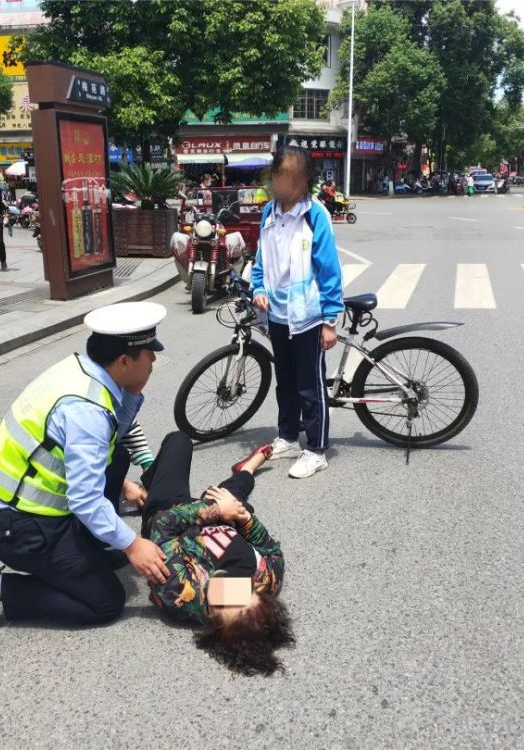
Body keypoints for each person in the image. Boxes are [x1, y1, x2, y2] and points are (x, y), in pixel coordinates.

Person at [0, 302, 171, 637]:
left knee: (116, 458)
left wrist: (133, 393)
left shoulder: (81, 370)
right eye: (149, 354)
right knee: (105, 602)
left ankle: (93, 543)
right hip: (19, 528)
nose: (154, 361)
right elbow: (85, 499)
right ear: (125, 361)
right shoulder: (86, 410)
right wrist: (132, 544)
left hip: (27, 508)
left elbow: (112, 436)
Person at [142, 432, 292, 675]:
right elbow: (273, 553)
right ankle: (248, 469)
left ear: (214, 625)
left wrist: (214, 509)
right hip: (225, 515)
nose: (227, 589)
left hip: (172, 512)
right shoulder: (266, 582)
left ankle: (151, 485)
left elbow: (163, 524)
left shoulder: (179, 592)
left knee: (178, 441)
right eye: (243, 592)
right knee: (238, 494)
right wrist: (245, 520)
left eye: (223, 603)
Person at [250, 146, 345, 479]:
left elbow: (329, 270)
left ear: (303, 181)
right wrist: (258, 289)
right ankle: (288, 436)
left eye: (287, 179)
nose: (280, 184)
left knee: (310, 385)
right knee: (285, 382)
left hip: (308, 317)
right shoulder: (269, 213)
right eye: (277, 177)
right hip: (277, 315)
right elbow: (261, 258)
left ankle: (316, 449)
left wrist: (330, 321)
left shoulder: (315, 214)